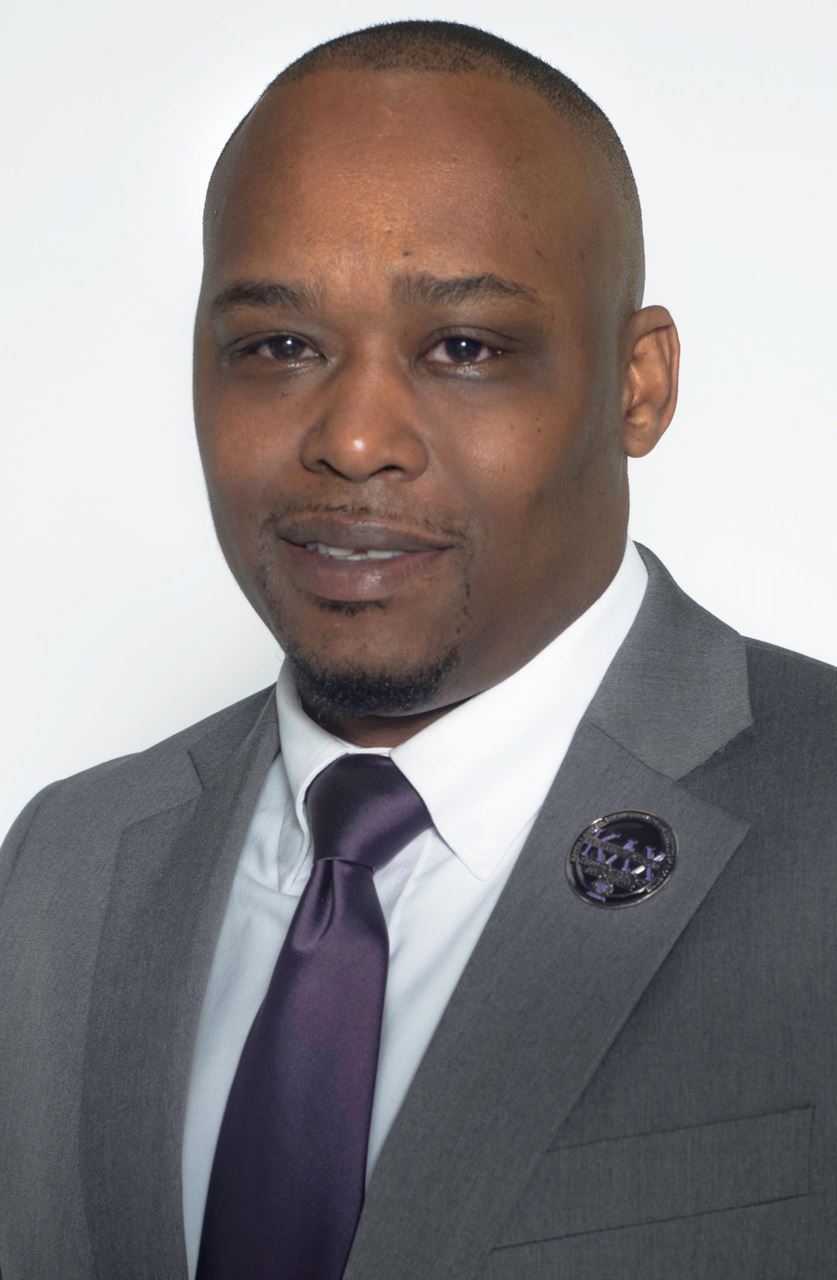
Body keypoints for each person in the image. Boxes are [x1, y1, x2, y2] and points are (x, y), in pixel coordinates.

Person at [1, 18, 834, 1280]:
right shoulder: (63, 868)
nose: (352, 438)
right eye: (279, 346)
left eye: (465, 348)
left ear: (639, 383)